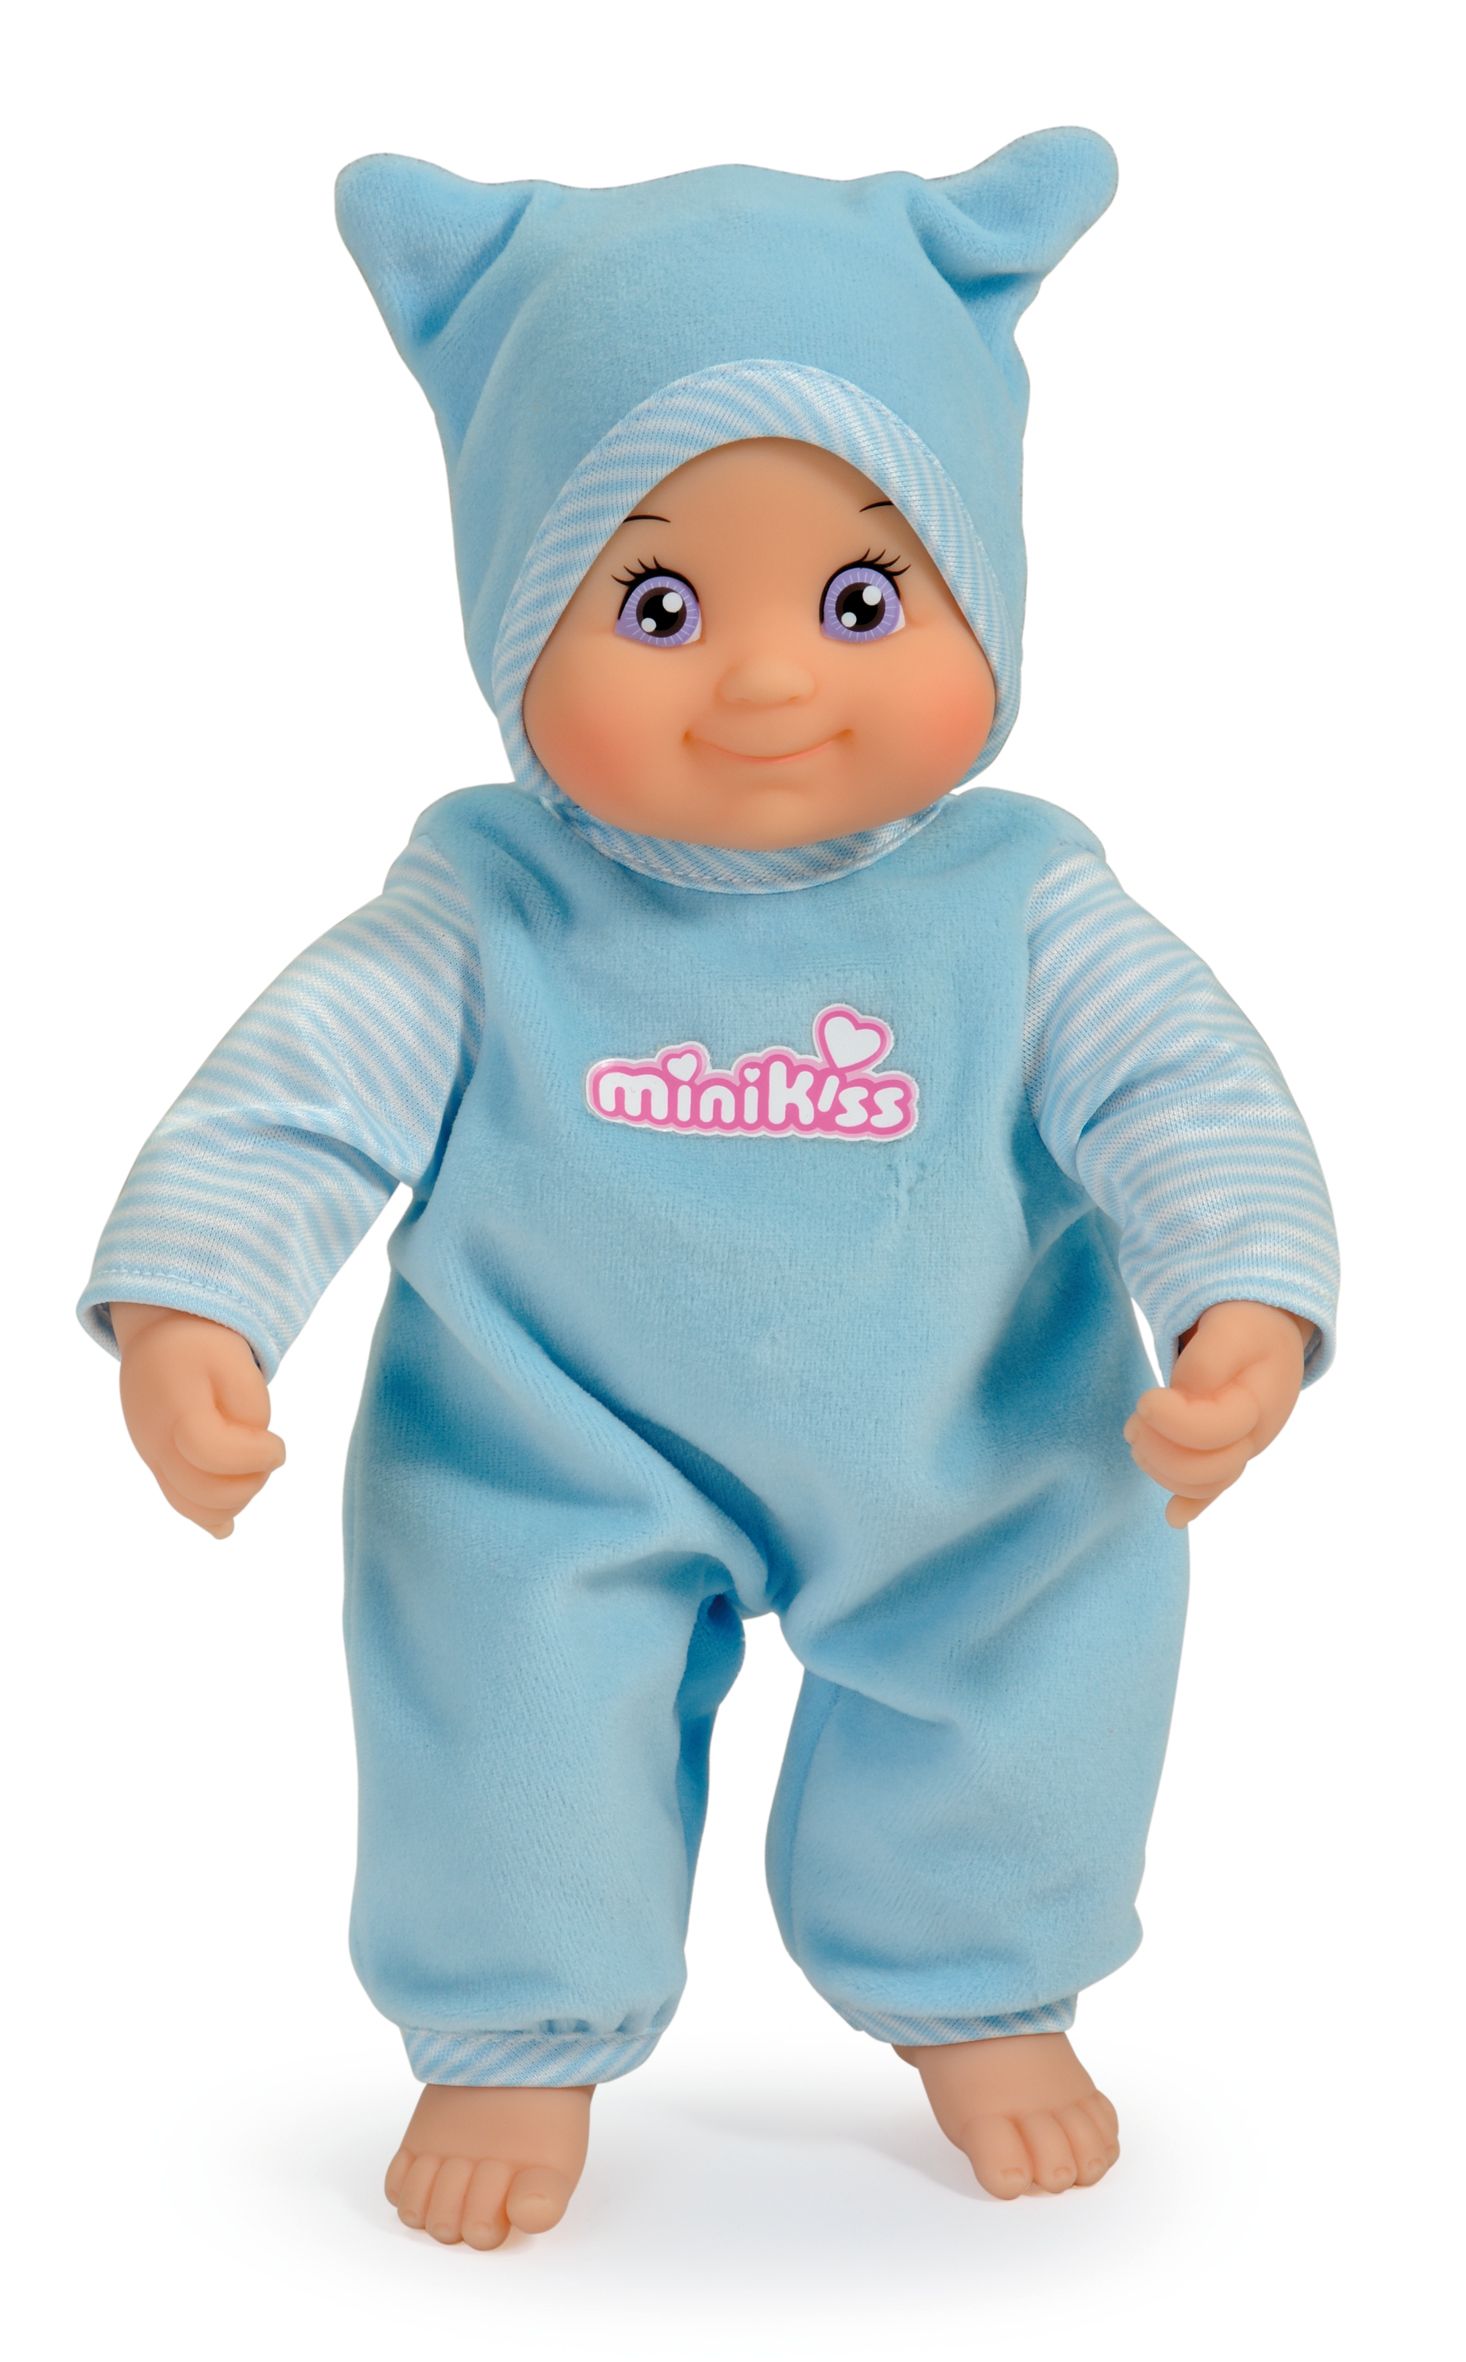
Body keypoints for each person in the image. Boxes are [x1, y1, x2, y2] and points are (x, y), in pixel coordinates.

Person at [78, 132, 1338, 2246]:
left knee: (1042, 1652)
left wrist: (1242, 1297)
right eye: (653, 606)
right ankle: (513, 2021)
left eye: (862, 600)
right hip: (548, 1446)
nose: (767, 681)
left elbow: (1181, 1087)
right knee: (497, 1690)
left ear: (983, 590)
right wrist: (199, 1304)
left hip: (967, 1443)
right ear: (513, 619)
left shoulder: (1026, 900)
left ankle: (980, 1980)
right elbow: (295, 1099)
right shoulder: (482, 902)